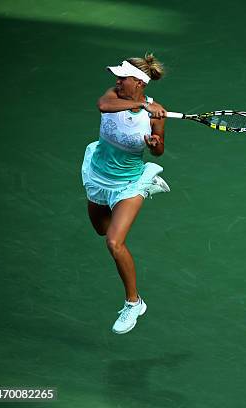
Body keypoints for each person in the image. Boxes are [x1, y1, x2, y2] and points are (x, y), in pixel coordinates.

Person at [81, 53, 170, 334]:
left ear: (140, 82)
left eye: (123, 78)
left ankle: (134, 302)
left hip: (128, 183)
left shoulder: (156, 115)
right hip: (98, 174)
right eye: (118, 77)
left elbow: (159, 148)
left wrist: (155, 143)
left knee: (114, 242)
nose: (117, 81)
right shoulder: (114, 95)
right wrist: (142, 104)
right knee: (100, 228)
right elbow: (103, 105)